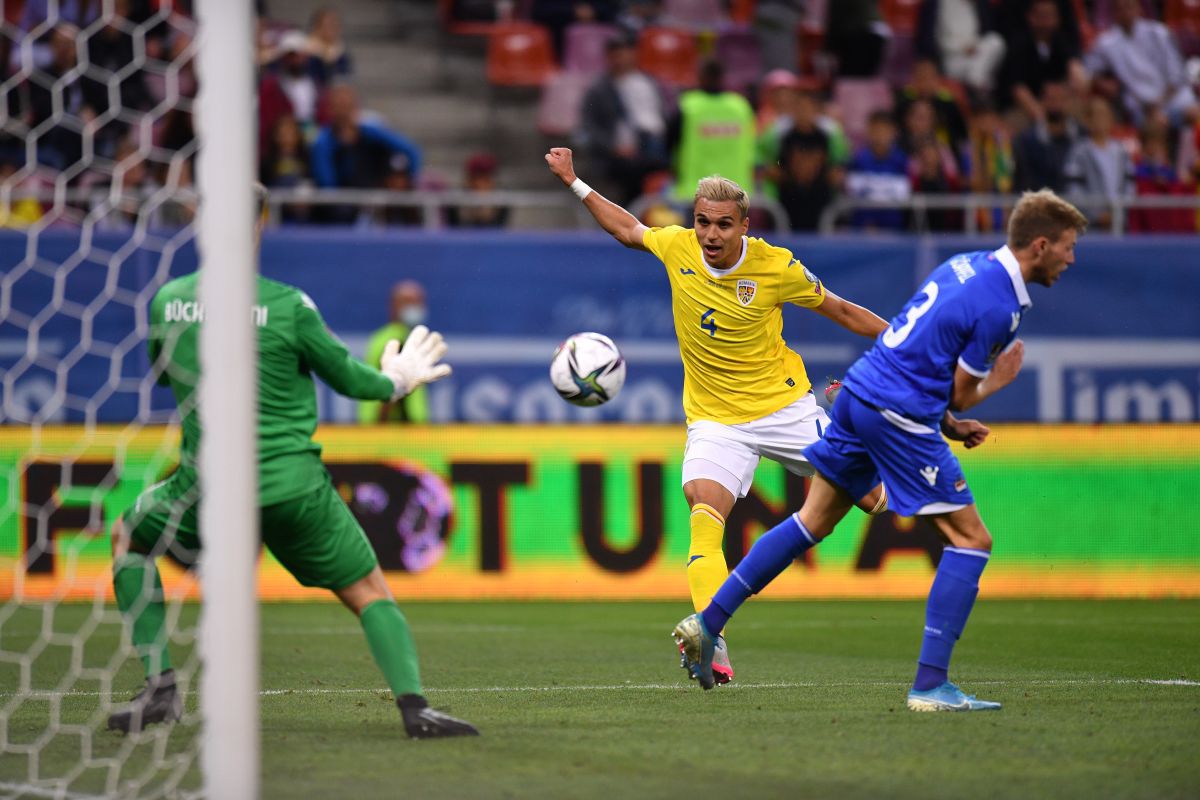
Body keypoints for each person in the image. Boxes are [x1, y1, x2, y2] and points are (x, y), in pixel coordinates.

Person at [673, 189, 1088, 713]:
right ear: (1041, 245)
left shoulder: (963, 266)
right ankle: (931, 684)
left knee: (812, 522)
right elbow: (959, 391)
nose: (1071, 259)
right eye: (1068, 247)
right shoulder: (1001, 307)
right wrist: (996, 382)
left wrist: (948, 422)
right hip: (898, 413)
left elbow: (905, 347)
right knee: (971, 539)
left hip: (859, 391)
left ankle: (707, 623)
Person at [106, 185, 476, 739]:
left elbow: (164, 373)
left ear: (201, 222)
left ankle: (160, 687)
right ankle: (415, 708)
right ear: (260, 224)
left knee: (128, 537)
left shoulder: (167, 301)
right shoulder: (290, 306)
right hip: (293, 489)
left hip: (207, 489)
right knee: (368, 591)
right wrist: (397, 381)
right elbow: (353, 381)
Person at [546, 146, 909, 685]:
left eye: (722, 225)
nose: (710, 235)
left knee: (876, 500)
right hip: (716, 421)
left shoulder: (776, 266)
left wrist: (908, 342)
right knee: (702, 509)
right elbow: (627, 229)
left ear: (743, 225)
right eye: (702, 222)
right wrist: (575, 181)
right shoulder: (678, 247)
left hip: (784, 408)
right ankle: (710, 640)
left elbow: (841, 310)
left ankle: (854, 421)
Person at [576, 32, 669, 206]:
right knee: (631, 169)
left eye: (626, 52)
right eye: (617, 54)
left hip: (651, 148)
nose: (622, 58)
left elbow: (662, 117)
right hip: (616, 154)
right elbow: (589, 128)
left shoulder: (649, 82)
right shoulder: (599, 89)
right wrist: (614, 147)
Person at [359, 281, 432, 424]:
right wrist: (380, 428)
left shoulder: (401, 337)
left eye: (418, 302)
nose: (414, 306)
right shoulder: (394, 341)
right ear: (393, 306)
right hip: (395, 430)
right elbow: (391, 389)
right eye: (407, 302)